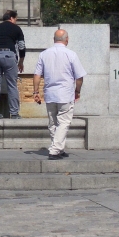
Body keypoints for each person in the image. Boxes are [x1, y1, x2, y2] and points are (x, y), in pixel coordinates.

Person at [32, 28, 86, 159]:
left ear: (54, 39)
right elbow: (79, 77)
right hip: (65, 93)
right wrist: (77, 91)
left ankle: (58, 148)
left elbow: (37, 75)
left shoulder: (44, 54)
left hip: (50, 93)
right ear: (67, 40)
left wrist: (36, 91)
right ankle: (55, 150)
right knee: (64, 122)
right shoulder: (71, 54)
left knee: (53, 123)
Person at [0, 10, 26, 119]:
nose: (16, 21)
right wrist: (21, 61)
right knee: (12, 85)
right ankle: (14, 113)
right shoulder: (16, 28)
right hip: (9, 56)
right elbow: (21, 46)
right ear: (11, 18)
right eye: (16, 19)